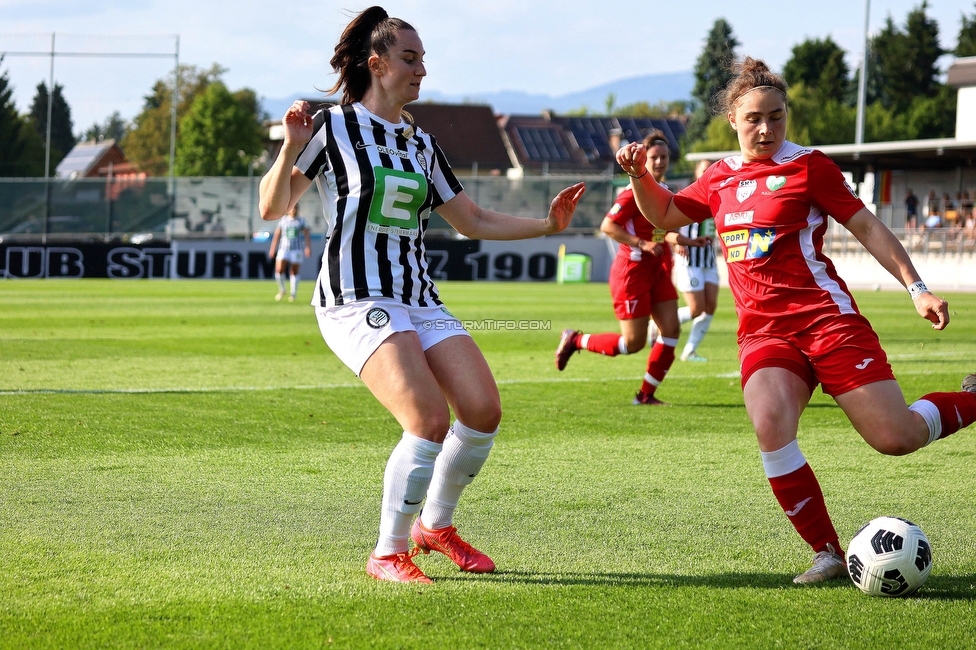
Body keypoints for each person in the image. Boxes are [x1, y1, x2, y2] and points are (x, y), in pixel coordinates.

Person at [616, 56, 976, 585]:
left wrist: (917, 288)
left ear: (787, 117)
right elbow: (664, 215)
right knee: (770, 424)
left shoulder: (809, 166)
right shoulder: (718, 178)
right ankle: (827, 552)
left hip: (826, 321)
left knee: (895, 437)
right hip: (765, 332)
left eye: (777, 117)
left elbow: (870, 229)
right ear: (733, 122)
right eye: (755, 119)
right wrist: (638, 177)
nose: (766, 129)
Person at [259, 6, 585, 584]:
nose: (421, 71)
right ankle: (387, 552)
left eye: (424, 60)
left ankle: (433, 527)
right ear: (377, 64)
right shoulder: (332, 129)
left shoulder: (420, 142)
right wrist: (290, 147)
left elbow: (473, 219)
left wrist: (548, 226)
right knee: (429, 418)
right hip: (354, 296)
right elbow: (270, 207)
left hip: (418, 297)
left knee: (482, 411)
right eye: (411, 59)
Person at [555, 131, 704, 405]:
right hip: (632, 272)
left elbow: (661, 232)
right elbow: (607, 226)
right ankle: (576, 340)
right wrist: (641, 243)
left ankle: (646, 395)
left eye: (664, 157)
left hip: (656, 269)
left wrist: (687, 240)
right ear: (643, 159)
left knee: (671, 330)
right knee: (633, 343)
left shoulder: (666, 192)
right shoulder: (631, 192)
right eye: (654, 157)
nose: (659, 162)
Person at [649, 157, 719, 362]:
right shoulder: (689, 195)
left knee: (711, 307)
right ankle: (658, 324)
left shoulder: (720, 196)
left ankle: (690, 351)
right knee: (697, 309)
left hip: (708, 259)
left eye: (711, 170)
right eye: (704, 169)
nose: (707, 173)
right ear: (697, 172)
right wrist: (677, 243)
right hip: (688, 259)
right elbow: (667, 225)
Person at [268, 203, 312, 302]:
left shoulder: (301, 221)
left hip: (296, 249)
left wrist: (308, 247)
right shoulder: (283, 221)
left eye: (295, 208)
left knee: (294, 272)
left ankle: (293, 294)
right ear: (288, 210)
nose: (293, 210)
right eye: (292, 208)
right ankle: (282, 289)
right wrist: (272, 248)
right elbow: (276, 235)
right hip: (283, 249)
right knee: (279, 270)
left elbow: (306, 235)